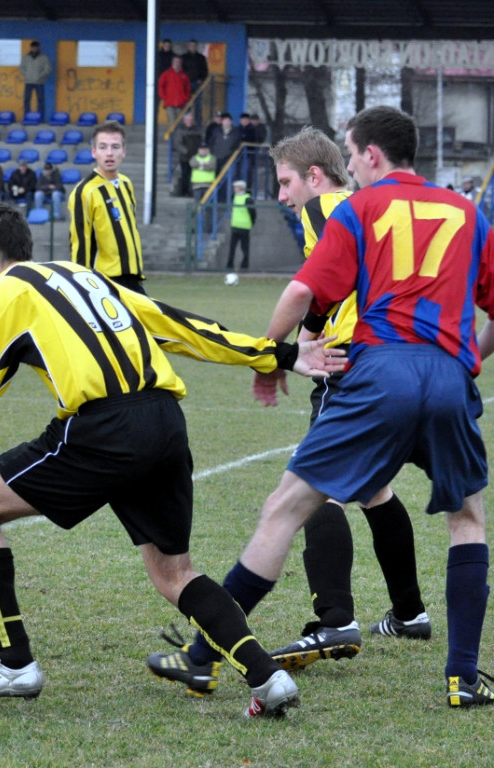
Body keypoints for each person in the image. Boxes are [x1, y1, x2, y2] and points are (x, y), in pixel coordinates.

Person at [0, 202, 347, 712]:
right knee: (174, 574)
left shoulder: (6, 293)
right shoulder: (85, 277)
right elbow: (172, 322)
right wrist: (277, 354)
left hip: (104, 427)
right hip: (166, 420)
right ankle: (266, 677)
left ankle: (13, 663)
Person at [149, 105, 494, 709]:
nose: (350, 166)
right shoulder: (468, 212)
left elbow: (307, 290)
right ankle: (463, 676)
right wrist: (470, 360)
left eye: (353, 155)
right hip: (445, 376)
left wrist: (272, 356)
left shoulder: (359, 207)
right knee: (466, 519)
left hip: (378, 373)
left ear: (372, 156)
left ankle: (203, 659)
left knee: (285, 507)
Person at [252, 126, 429, 671]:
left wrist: (273, 352)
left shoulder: (326, 206)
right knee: (374, 489)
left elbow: (319, 283)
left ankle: (334, 621)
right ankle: (410, 614)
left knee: (313, 490)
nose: (282, 196)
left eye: (285, 182)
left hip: (353, 366)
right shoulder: (367, 206)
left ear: (314, 175)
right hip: (404, 360)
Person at [67, 120, 144, 294]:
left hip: (132, 276)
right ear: (94, 152)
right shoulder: (85, 192)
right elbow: (80, 243)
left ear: (124, 151)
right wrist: (82, 286)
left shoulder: (126, 183)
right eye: (103, 147)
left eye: (115, 147)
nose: (109, 153)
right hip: (105, 282)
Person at [225, 179, 255, 270]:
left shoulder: (247, 199)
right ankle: (230, 265)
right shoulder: (234, 197)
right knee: (232, 248)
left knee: (244, 248)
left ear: (240, 188)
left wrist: (251, 222)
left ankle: (244, 265)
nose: (234, 189)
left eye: (236, 187)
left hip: (244, 226)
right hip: (235, 225)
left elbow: (252, 212)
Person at [19, 41, 52, 119]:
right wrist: (27, 74)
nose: (34, 49)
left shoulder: (44, 57)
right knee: (27, 100)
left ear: (38, 48)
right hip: (28, 82)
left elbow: (48, 69)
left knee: (41, 100)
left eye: (36, 47)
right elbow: (21, 68)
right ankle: (26, 117)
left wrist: (40, 76)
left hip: (39, 82)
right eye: (33, 47)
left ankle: (40, 118)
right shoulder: (25, 57)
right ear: (30, 48)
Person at [174, 112, 202, 197]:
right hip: (185, 157)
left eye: (191, 119)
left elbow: (200, 141)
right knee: (185, 175)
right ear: (184, 120)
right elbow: (177, 144)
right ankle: (184, 191)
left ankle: (191, 192)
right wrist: (186, 151)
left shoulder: (196, 129)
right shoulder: (180, 130)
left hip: (195, 157)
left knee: (193, 175)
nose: (190, 121)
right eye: (188, 119)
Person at [157, 55, 191, 127]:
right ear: (172, 62)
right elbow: (160, 86)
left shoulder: (184, 75)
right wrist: (164, 97)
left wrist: (185, 98)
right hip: (169, 103)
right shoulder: (166, 74)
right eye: (175, 61)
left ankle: (177, 138)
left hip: (180, 104)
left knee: (179, 123)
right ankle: (173, 138)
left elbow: (188, 88)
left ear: (181, 63)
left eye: (178, 62)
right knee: (172, 123)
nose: (177, 63)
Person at [180, 39, 209, 122]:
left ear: (196, 47)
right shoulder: (183, 57)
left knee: (198, 105)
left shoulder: (201, 58)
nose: (193, 47)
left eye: (194, 45)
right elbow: (181, 71)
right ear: (188, 47)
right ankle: (186, 123)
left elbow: (205, 71)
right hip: (186, 85)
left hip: (197, 84)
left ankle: (198, 123)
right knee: (186, 105)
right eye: (191, 45)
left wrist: (201, 79)